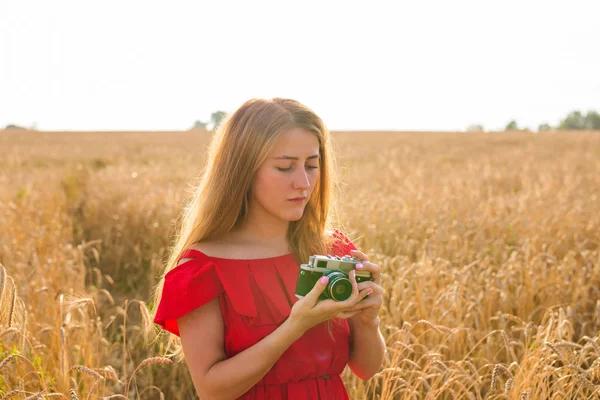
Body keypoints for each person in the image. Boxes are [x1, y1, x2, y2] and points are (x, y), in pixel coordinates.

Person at [152, 98, 385, 399]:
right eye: (285, 167)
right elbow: (211, 390)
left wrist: (369, 322)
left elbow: (367, 369)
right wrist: (296, 325)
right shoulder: (202, 267)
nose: (303, 182)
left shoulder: (333, 250)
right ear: (243, 171)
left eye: (312, 165)